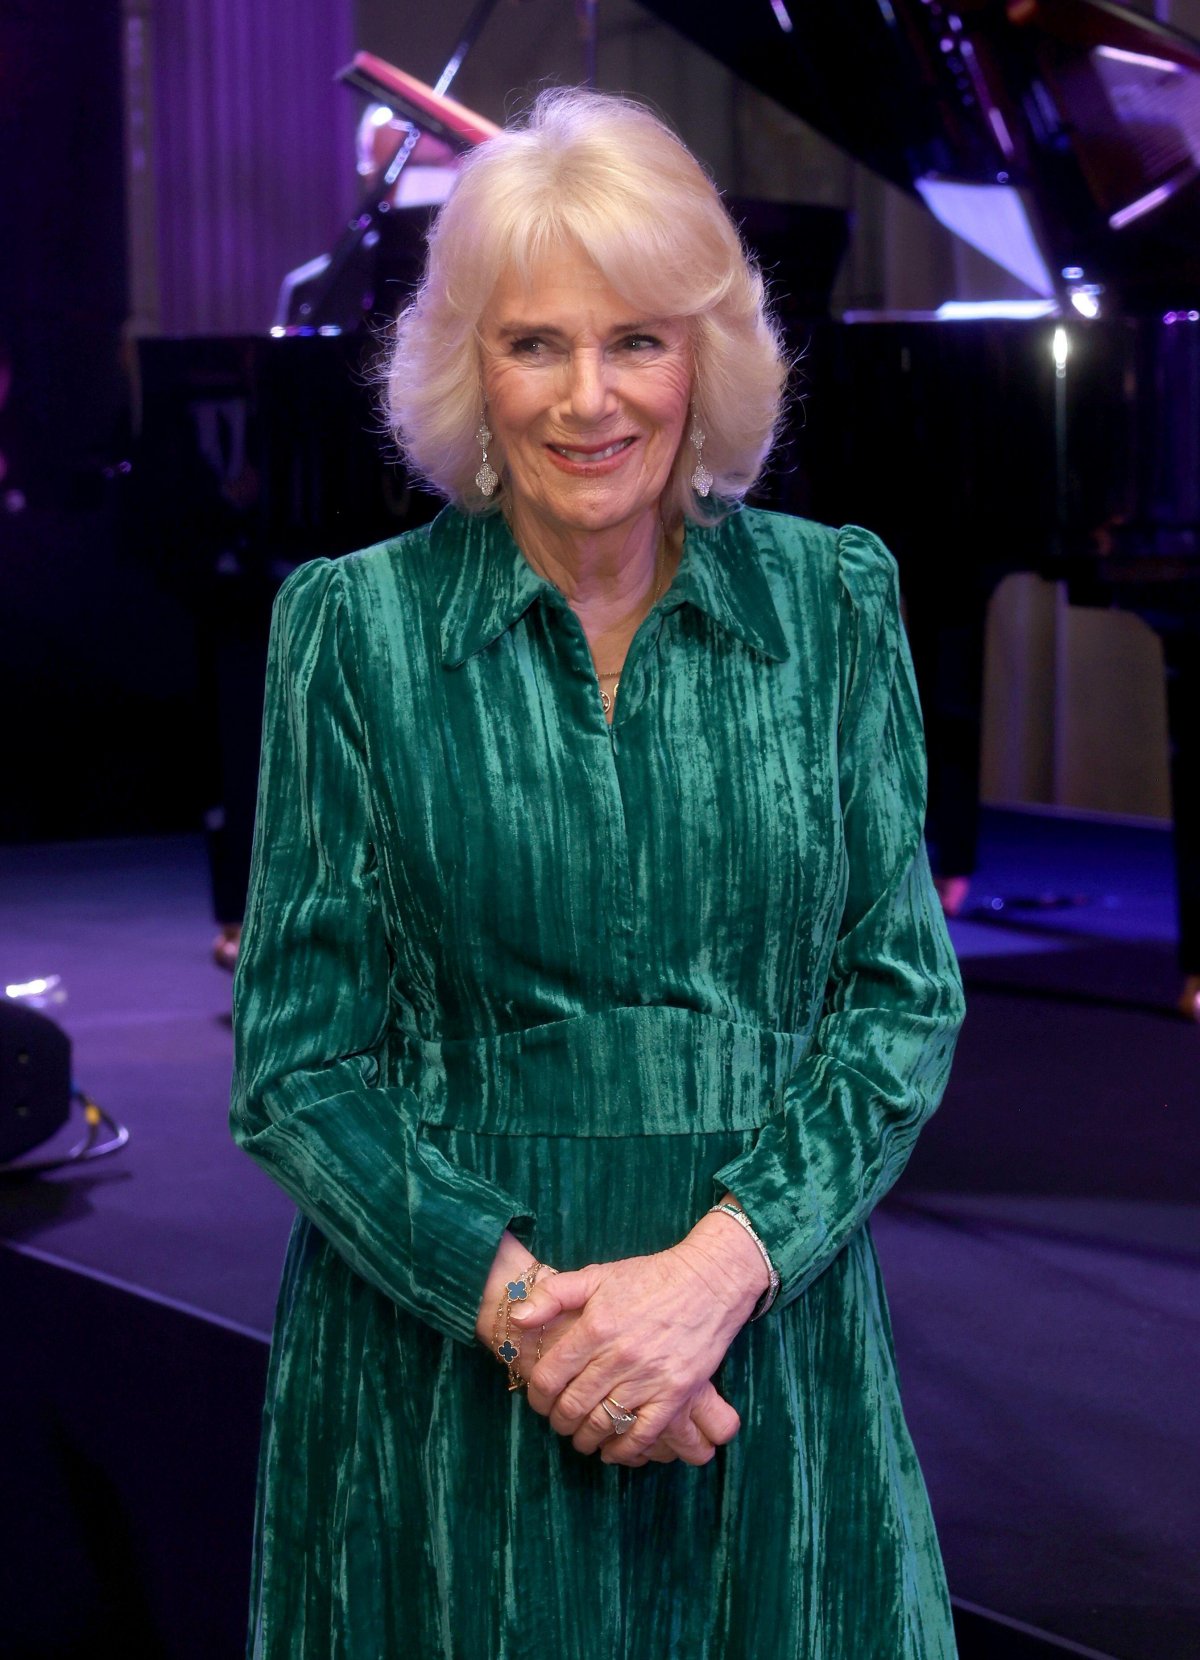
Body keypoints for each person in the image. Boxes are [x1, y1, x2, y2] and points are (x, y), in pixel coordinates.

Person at [230, 87, 966, 1658]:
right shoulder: (351, 633)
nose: (588, 398)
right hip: (447, 1373)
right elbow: (295, 1068)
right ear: (467, 365)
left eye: (637, 340)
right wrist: (541, 1331)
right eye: (534, 344)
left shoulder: (835, 604)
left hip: (764, 1344)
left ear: (704, 360)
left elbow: (902, 1001)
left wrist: (709, 1281)